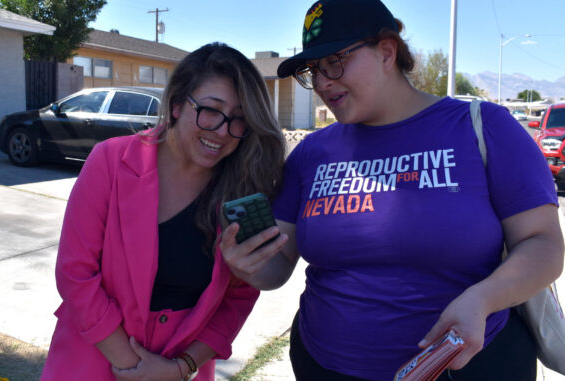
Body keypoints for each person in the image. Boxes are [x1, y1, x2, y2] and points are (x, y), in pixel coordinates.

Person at [220, 0, 564, 380]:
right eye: (312, 70)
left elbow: (544, 245)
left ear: (387, 51)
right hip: (324, 366)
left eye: (333, 62)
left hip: (466, 368)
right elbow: (277, 267)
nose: (320, 82)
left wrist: (484, 299)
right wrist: (248, 263)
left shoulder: (485, 128)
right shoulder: (311, 154)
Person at [41, 42, 287, 381]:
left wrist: (180, 368)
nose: (221, 130)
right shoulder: (110, 161)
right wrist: (135, 368)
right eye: (211, 110)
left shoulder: (242, 190)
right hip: (93, 359)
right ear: (175, 104)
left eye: (239, 119)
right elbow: (75, 274)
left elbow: (239, 297)